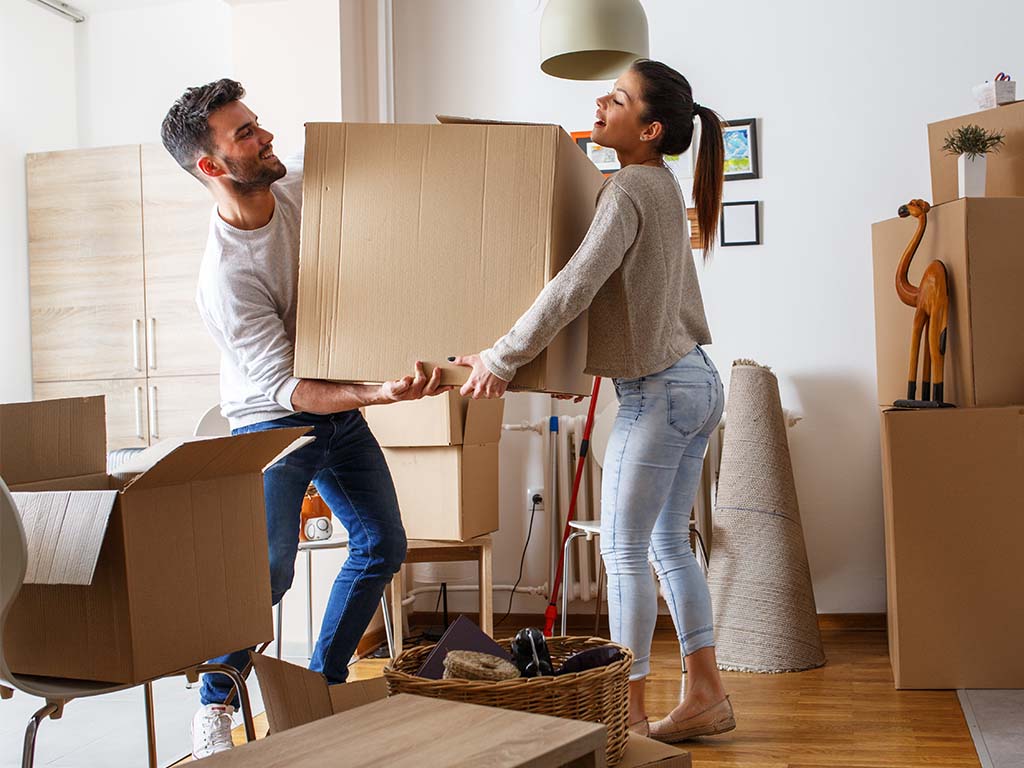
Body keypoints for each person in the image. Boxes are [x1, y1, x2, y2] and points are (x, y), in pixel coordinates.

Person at [161, 79, 446, 759]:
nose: (265, 138)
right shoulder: (225, 278)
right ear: (211, 166)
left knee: (382, 543)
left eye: (258, 124)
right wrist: (377, 393)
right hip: (272, 424)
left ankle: (320, 687)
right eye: (245, 135)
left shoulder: (293, 188)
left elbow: (371, 170)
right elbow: (290, 388)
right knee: (268, 572)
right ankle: (215, 703)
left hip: (337, 414)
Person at [453, 59, 734, 743]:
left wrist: (502, 357)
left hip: (661, 392)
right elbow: (619, 302)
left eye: (618, 98)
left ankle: (629, 717)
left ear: (650, 127)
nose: (600, 104)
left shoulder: (629, 187)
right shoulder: (658, 184)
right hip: (695, 381)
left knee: (626, 553)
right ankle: (706, 697)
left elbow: (573, 285)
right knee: (667, 543)